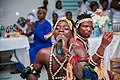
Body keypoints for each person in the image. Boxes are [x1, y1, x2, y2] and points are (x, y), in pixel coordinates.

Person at [21, 17, 101, 80]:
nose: (61, 30)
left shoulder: (79, 51)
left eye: (66, 28)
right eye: (57, 28)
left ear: (72, 33)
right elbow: (33, 72)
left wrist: (65, 50)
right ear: (53, 33)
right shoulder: (44, 53)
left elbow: (81, 76)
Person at [72, 12, 113, 79]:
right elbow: (88, 66)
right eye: (85, 26)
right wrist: (103, 46)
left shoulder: (82, 40)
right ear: (77, 27)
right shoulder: (77, 43)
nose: (89, 29)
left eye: (91, 27)